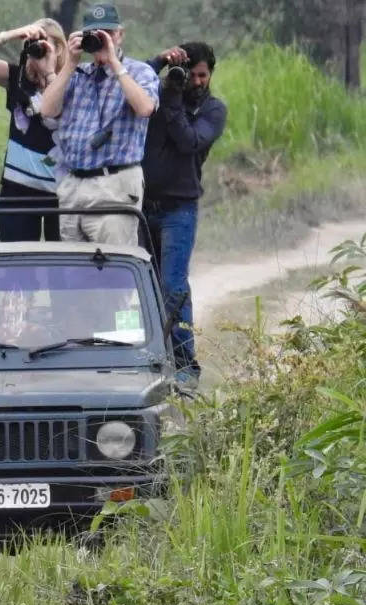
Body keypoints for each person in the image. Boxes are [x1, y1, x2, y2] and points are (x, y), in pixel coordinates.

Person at [142, 41, 227, 385]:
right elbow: (126, 76)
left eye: (201, 75)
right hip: (143, 206)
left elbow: (189, 141)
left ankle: (185, 367)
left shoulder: (214, 110)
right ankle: (148, 360)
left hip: (180, 208)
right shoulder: (154, 93)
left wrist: (172, 99)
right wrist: (161, 59)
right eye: (188, 73)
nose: (194, 81)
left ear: (210, 75)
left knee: (173, 286)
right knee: (142, 286)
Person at [39, 3, 159, 245]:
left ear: (120, 35)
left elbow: (145, 108)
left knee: (113, 271)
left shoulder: (139, 71)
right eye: (95, 35)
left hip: (114, 186)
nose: (103, 41)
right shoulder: (78, 74)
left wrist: (115, 63)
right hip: (73, 185)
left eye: (108, 34)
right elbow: (47, 110)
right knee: (75, 273)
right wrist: (70, 63)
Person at [0, 19, 68, 242]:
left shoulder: (74, 80)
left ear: (59, 48)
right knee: (18, 268)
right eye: (32, 44)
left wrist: (50, 70)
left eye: (44, 44)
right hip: (18, 188)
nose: (37, 50)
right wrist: (12, 33)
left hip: (62, 190)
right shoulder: (16, 77)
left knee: (63, 269)